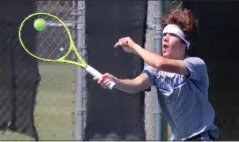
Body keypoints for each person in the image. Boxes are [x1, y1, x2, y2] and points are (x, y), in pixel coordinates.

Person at [94, 8, 219, 141]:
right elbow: (137, 84)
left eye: (172, 35)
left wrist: (135, 47)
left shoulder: (195, 64)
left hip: (200, 137)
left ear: (184, 43)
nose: (165, 38)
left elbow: (160, 63)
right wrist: (115, 82)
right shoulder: (155, 71)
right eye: (164, 34)